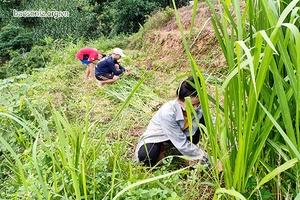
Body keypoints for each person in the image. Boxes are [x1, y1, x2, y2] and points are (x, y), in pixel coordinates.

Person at [135, 76, 213, 167]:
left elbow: (213, 123)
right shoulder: (168, 113)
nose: (196, 108)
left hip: (180, 134)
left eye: (198, 104)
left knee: (203, 120)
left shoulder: (198, 109)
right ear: (180, 100)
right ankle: (162, 146)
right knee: (146, 157)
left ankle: (188, 152)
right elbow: (182, 144)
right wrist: (210, 160)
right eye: (192, 105)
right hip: (160, 136)